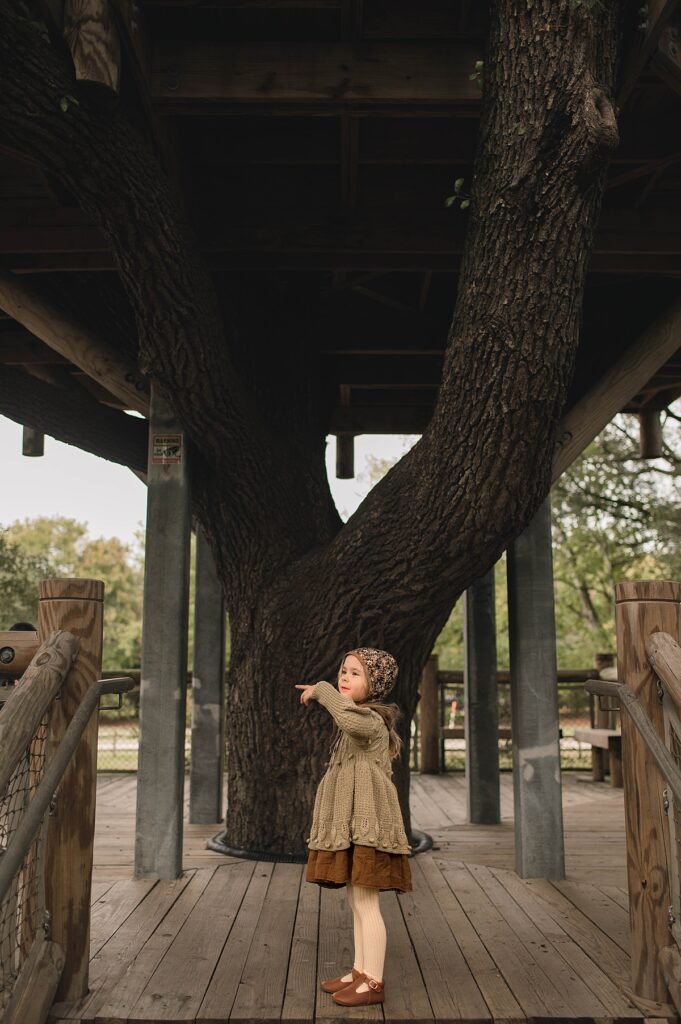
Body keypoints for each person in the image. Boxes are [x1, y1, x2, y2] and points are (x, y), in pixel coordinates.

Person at [294, 647, 412, 1007]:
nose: (344, 677)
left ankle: (373, 982)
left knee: (366, 902)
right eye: (343, 671)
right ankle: (361, 970)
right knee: (356, 899)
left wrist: (322, 689)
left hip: (368, 827)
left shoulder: (371, 721)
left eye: (355, 673)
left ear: (374, 685)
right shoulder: (358, 718)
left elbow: (347, 719)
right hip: (352, 826)